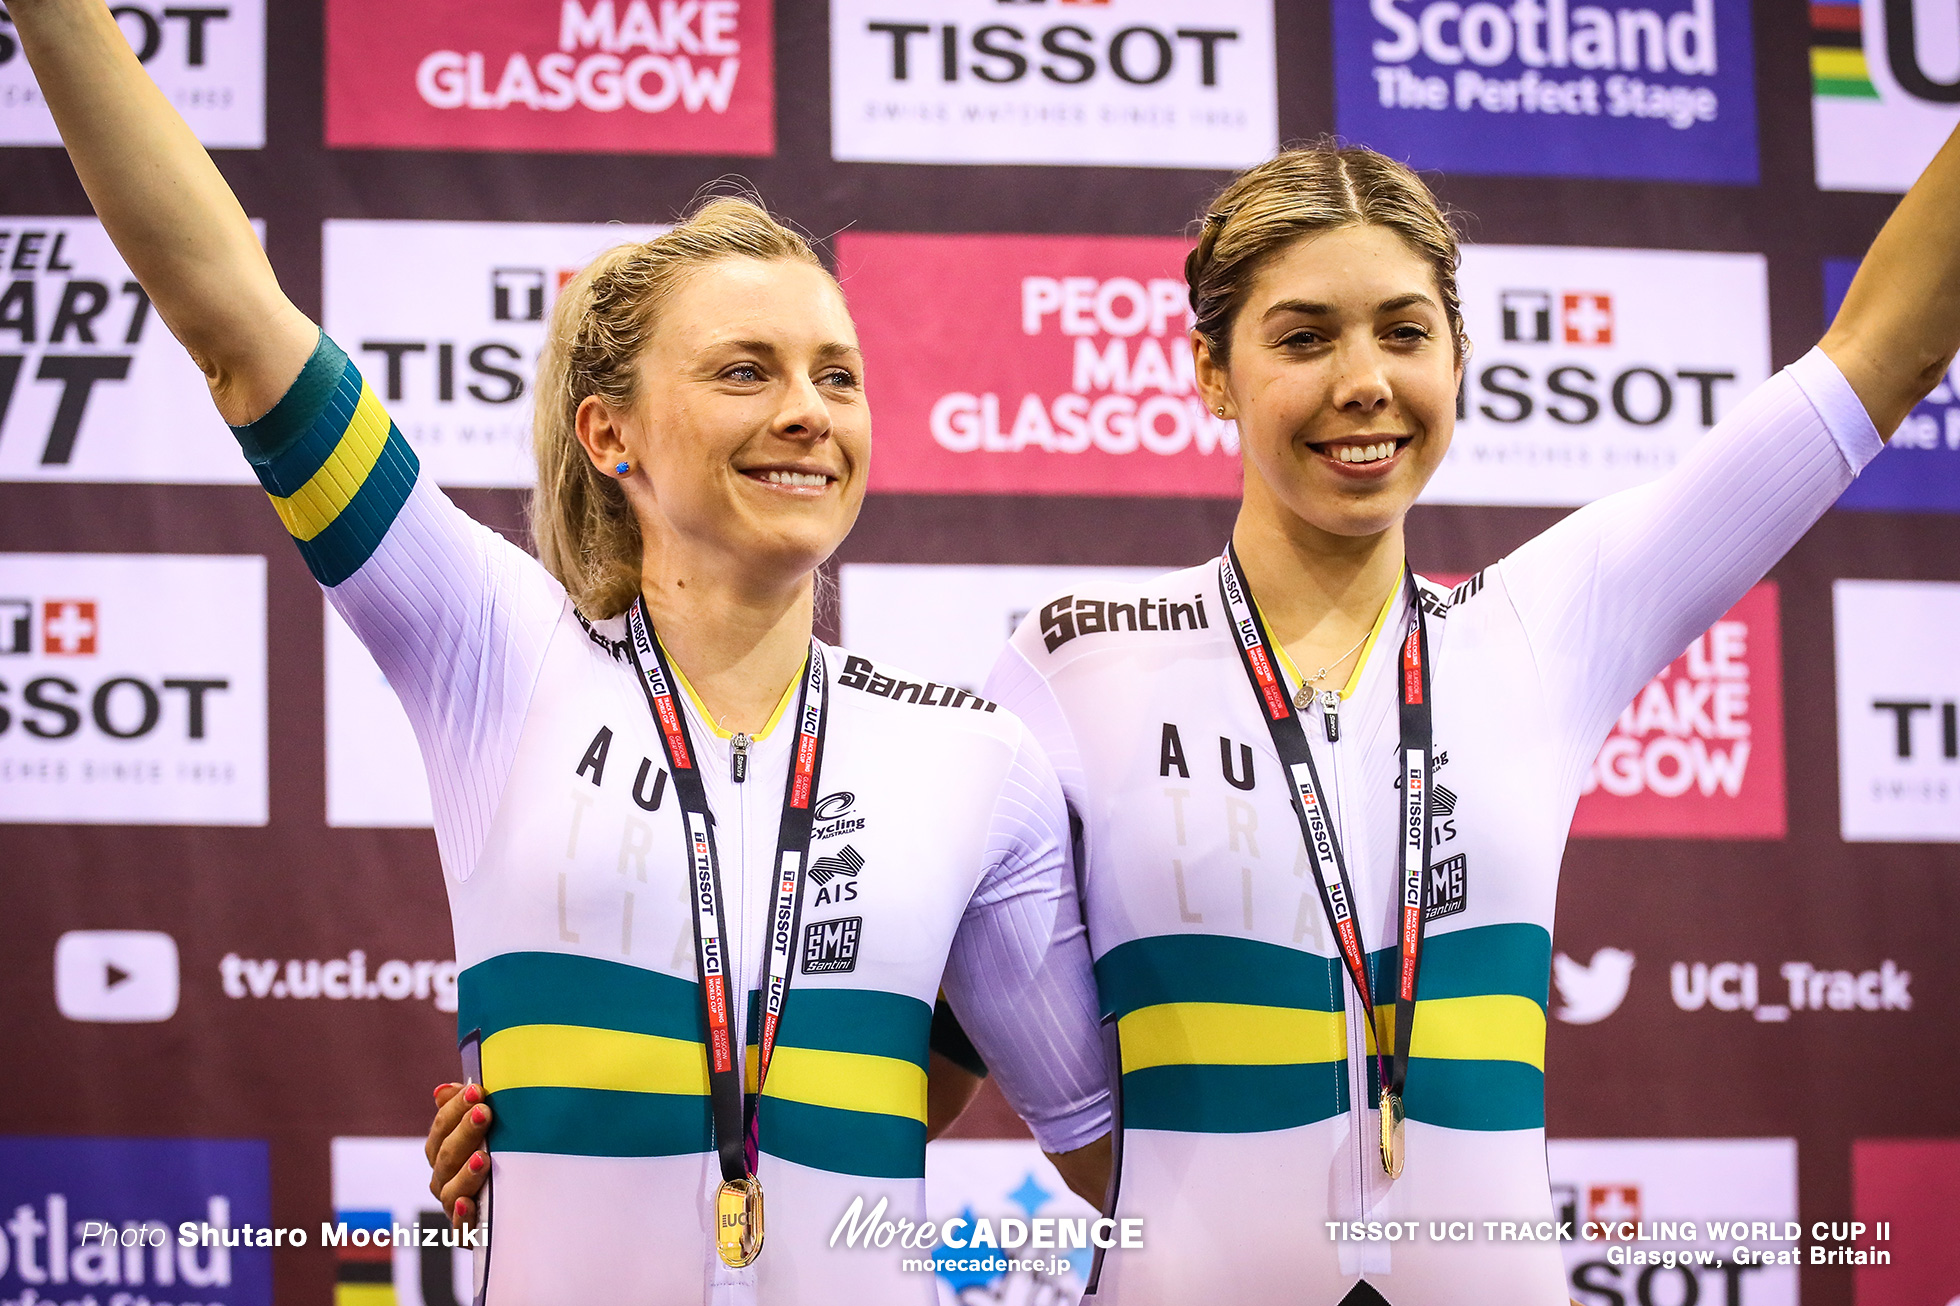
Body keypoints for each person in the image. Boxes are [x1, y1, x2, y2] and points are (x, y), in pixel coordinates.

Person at [8, 3, 1113, 1303]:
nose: (807, 411)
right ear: (609, 434)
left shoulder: (973, 757)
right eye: (745, 371)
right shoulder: (495, 648)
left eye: (838, 373)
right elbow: (236, 326)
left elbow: (1140, 1180)